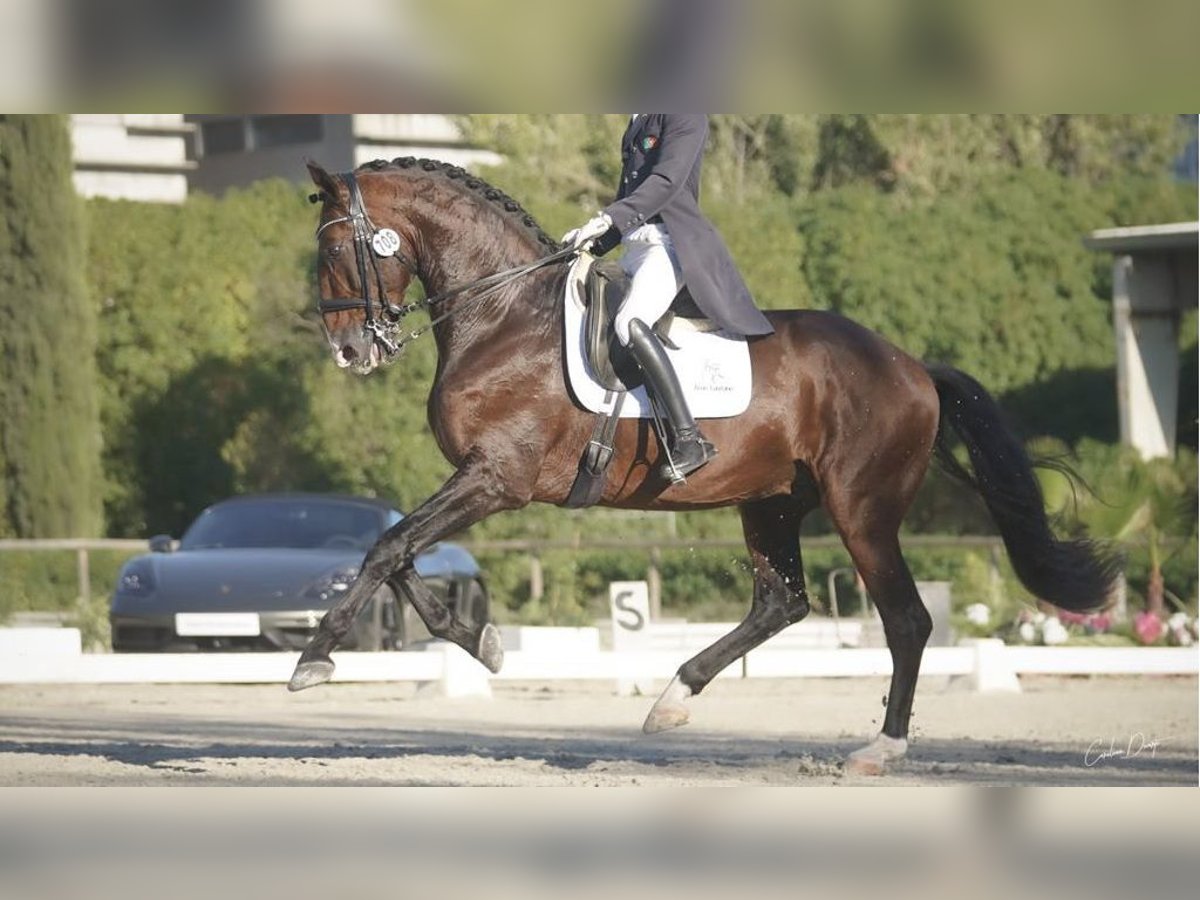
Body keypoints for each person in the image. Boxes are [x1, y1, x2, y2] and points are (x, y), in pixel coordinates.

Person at [563, 114, 774, 482]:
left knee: (630, 323)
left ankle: (689, 439)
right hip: (634, 249)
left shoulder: (684, 110)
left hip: (670, 246)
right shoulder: (639, 119)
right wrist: (594, 240)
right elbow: (631, 197)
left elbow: (666, 182)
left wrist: (608, 217)